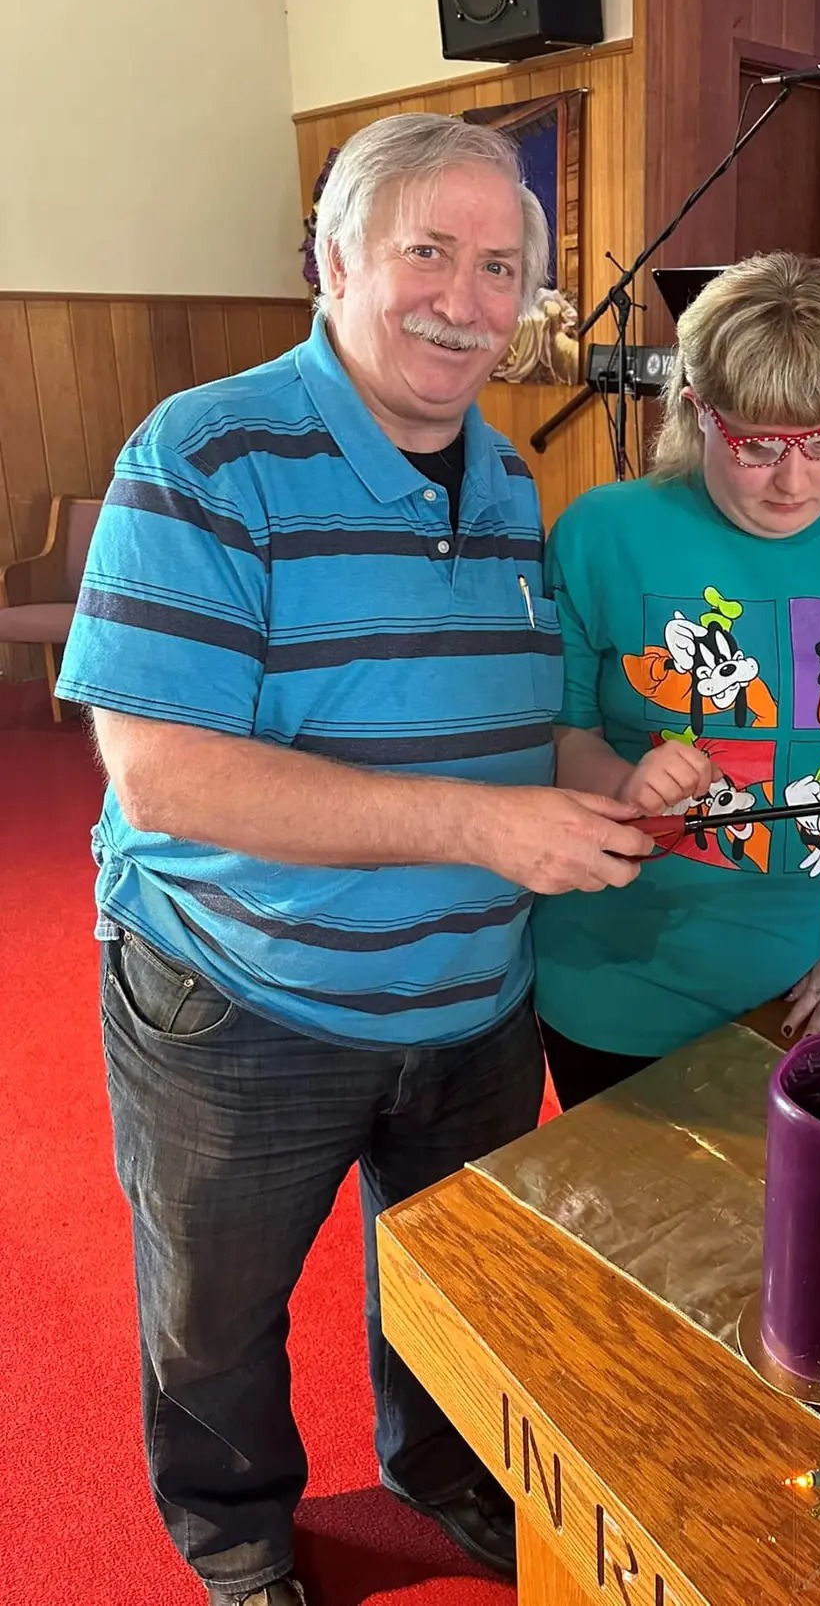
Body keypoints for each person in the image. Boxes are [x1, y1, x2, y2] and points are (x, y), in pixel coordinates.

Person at [55, 113, 654, 1606]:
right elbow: (163, 771)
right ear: (334, 261)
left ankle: (440, 1467)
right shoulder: (202, 453)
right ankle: (234, 1528)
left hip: (473, 998)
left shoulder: (508, 477)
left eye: (501, 267)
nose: (467, 298)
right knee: (215, 1314)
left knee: (454, 1282)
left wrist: (612, 783)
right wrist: (482, 828)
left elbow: (511, 729)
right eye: (427, 252)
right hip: (243, 1000)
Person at [532, 251, 820, 1109]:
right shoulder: (601, 533)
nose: (794, 479)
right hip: (623, 985)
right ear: (695, 408)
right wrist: (624, 784)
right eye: (755, 444)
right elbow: (564, 735)